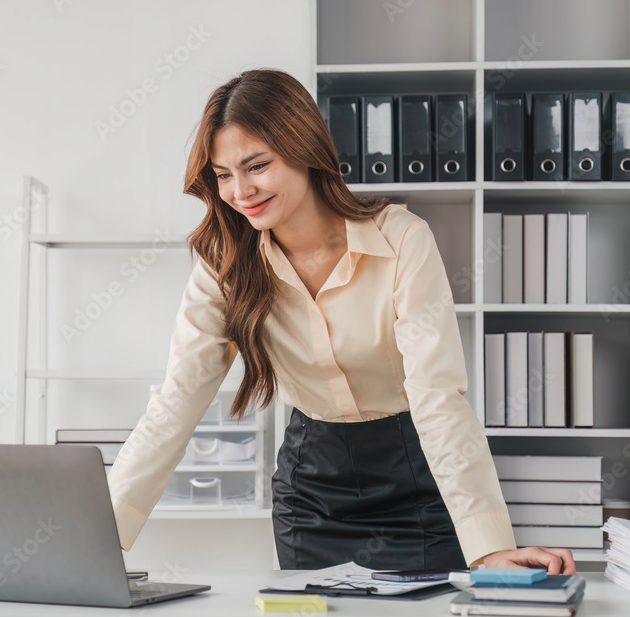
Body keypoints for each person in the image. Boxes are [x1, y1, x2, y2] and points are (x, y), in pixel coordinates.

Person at [105, 68, 576, 574]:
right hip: (311, 494)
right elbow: (178, 399)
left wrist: (488, 547)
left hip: (416, 482)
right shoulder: (223, 263)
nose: (240, 191)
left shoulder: (401, 240)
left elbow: (437, 395)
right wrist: (102, 534)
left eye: (256, 165)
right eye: (223, 174)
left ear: (305, 147)